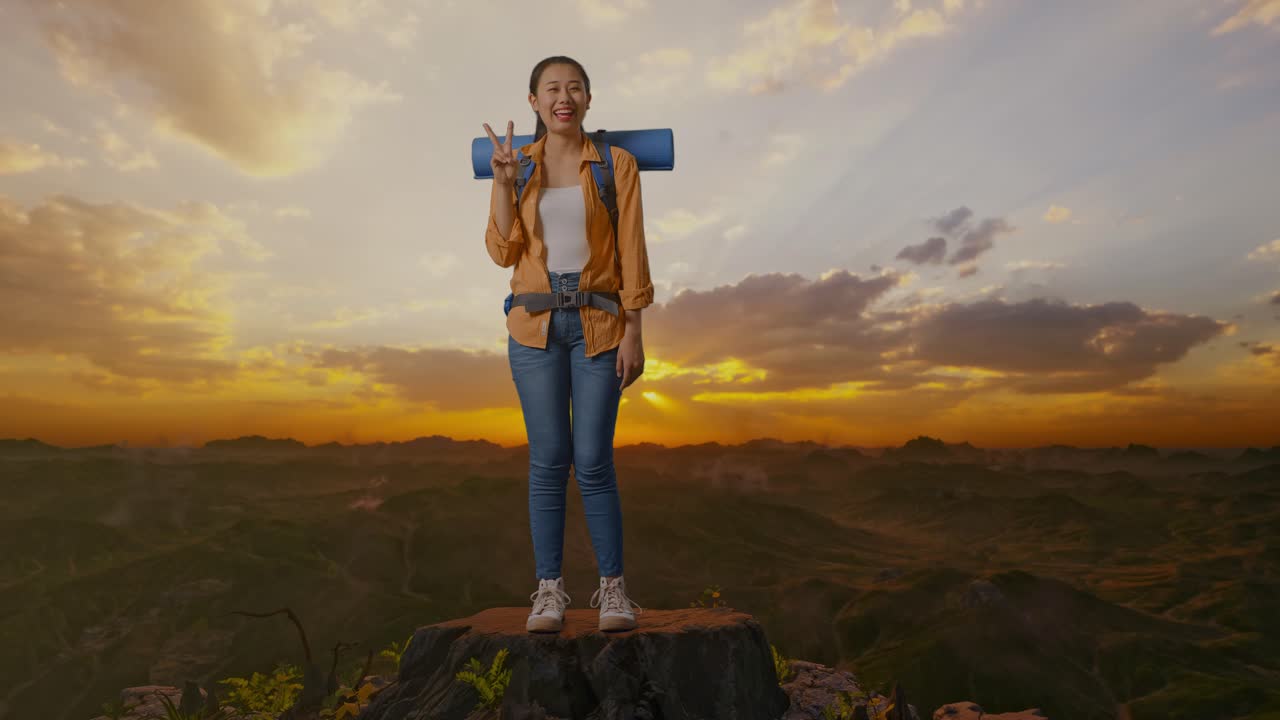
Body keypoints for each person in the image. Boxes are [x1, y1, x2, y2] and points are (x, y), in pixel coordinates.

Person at [482, 55, 655, 633]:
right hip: (533, 328)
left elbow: (632, 246)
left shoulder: (614, 163)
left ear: (587, 100)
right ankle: (549, 592)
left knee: (594, 462)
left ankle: (612, 593)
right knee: (548, 462)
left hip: (599, 323)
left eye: (574, 87)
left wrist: (635, 329)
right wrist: (503, 184)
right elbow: (502, 252)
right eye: (552, 88)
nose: (564, 96)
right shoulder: (519, 166)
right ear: (533, 102)